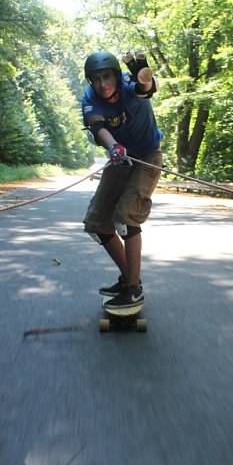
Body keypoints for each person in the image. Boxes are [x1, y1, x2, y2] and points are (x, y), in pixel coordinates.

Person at [81, 50, 163, 309]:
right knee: (97, 223)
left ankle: (132, 288)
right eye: (96, 79)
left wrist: (145, 80)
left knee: (125, 219)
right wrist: (114, 146)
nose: (103, 84)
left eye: (107, 77)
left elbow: (144, 89)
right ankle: (130, 278)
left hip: (147, 156)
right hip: (120, 156)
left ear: (116, 75)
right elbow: (98, 127)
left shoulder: (130, 85)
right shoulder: (90, 98)